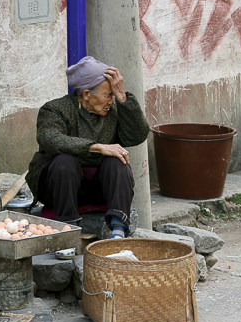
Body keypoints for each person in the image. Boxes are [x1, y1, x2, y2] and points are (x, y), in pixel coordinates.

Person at [26, 56, 149, 239]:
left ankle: (118, 231)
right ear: (86, 95)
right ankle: (67, 232)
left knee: (117, 162)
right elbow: (50, 139)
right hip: (60, 189)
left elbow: (137, 135)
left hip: (99, 190)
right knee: (64, 162)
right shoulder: (55, 109)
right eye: (108, 95)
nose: (111, 101)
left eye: (113, 95)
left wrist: (123, 97)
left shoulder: (114, 110)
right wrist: (98, 147)